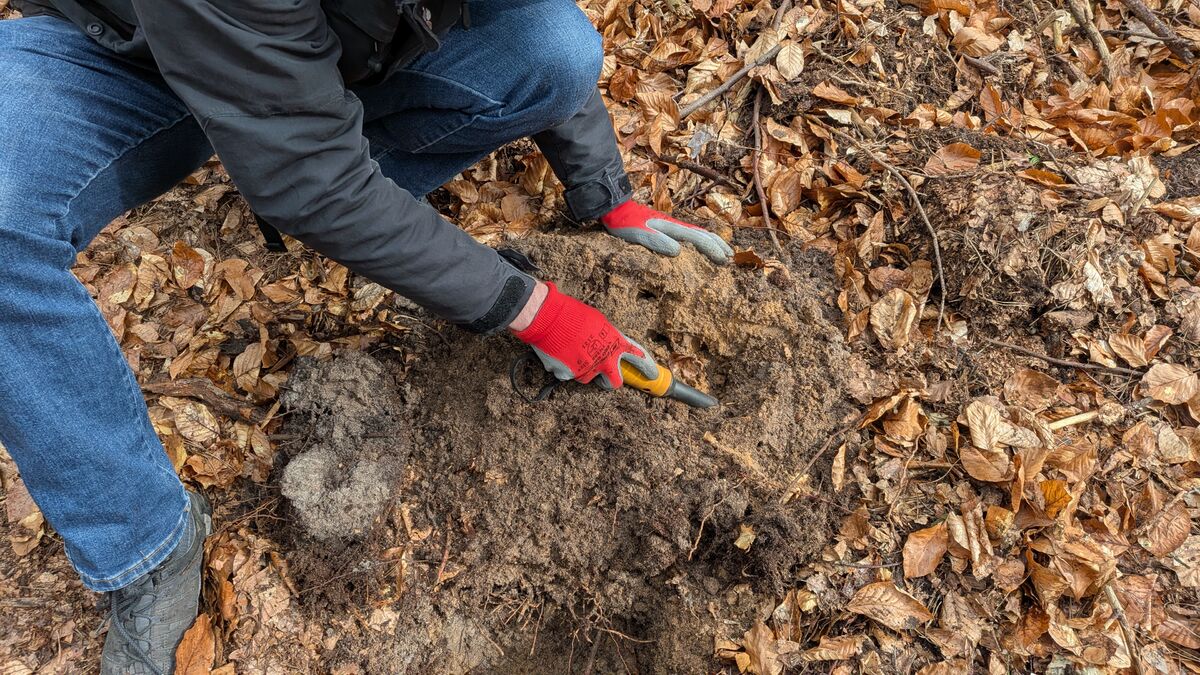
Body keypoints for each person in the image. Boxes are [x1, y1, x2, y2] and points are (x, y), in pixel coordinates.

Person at [0, 0, 733, 671]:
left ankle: (338, 190)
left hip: (318, 58)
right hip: (120, 54)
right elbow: (309, 176)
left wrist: (605, 190)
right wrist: (536, 311)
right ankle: (146, 544)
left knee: (556, 48)